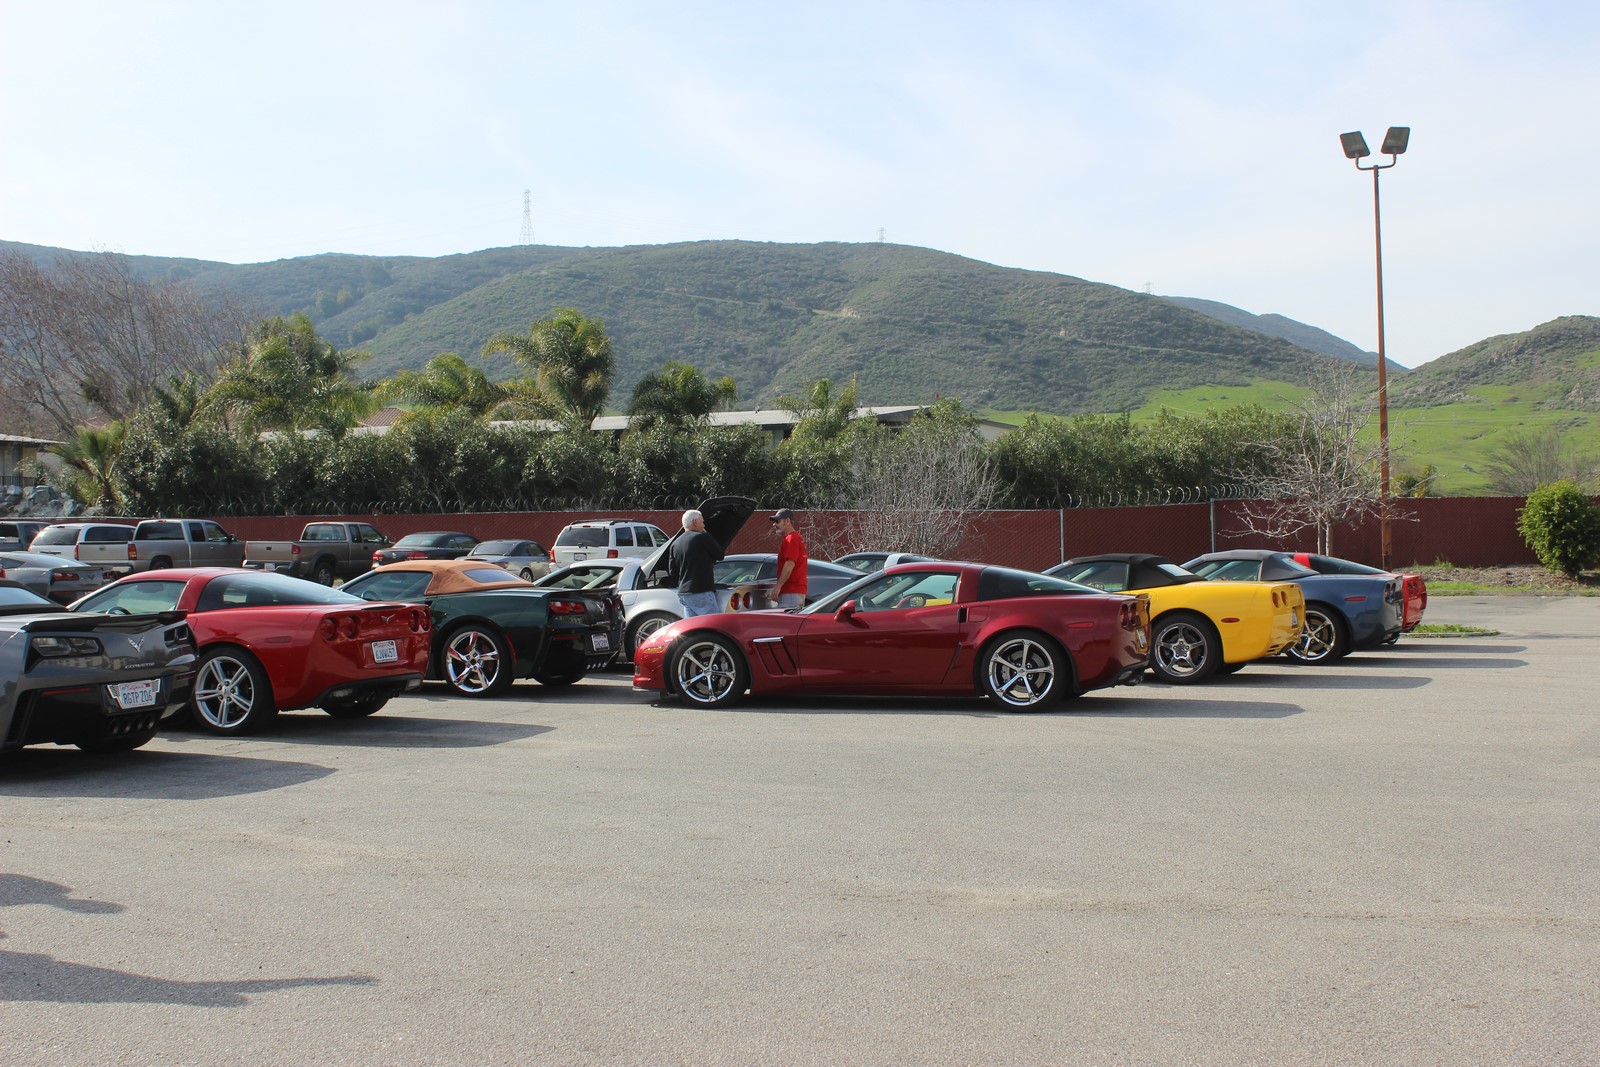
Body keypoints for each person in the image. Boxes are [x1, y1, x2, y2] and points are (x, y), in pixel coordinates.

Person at [668, 508, 723, 617]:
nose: (704, 525)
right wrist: (707, 535)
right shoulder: (702, 537)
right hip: (701, 591)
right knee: (712, 626)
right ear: (695, 522)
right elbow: (720, 555)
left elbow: (672, 572)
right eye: (702, 522)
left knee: (693, 629)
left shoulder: (675, 544)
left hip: (684, 593)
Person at [770, 507, 808, 609]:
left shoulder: (791, 539)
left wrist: (778, 587)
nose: (774, 525)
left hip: (791, 592)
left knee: (787, 624)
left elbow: (789, 565)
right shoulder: (794, 538)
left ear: (787, 521)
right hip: (793, 592)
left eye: (777, 521)